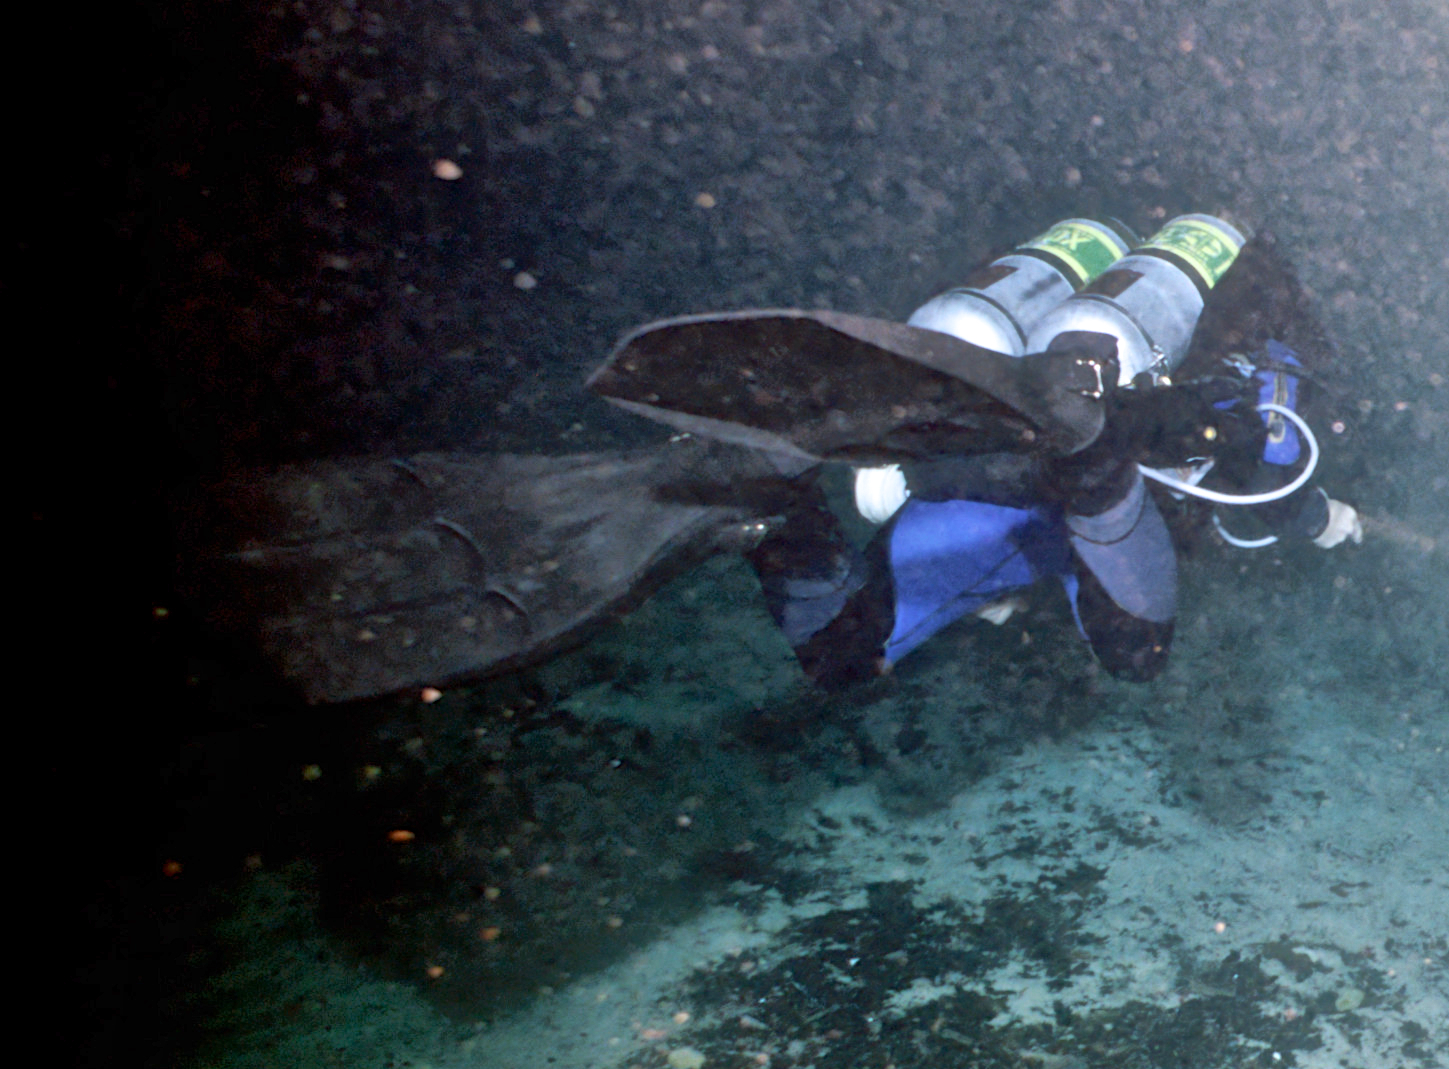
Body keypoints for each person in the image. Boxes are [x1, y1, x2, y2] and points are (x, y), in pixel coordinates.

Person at [178, 212, 1362, 704]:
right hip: (1062, 487)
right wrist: (1320, 519)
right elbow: (1265, 474)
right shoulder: (1270, 356)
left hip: (979, 453)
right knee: (1136, 646)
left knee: (848, 652)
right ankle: (1072, 441)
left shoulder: (1224, 330)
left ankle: (776, 507)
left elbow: (1259, 444)